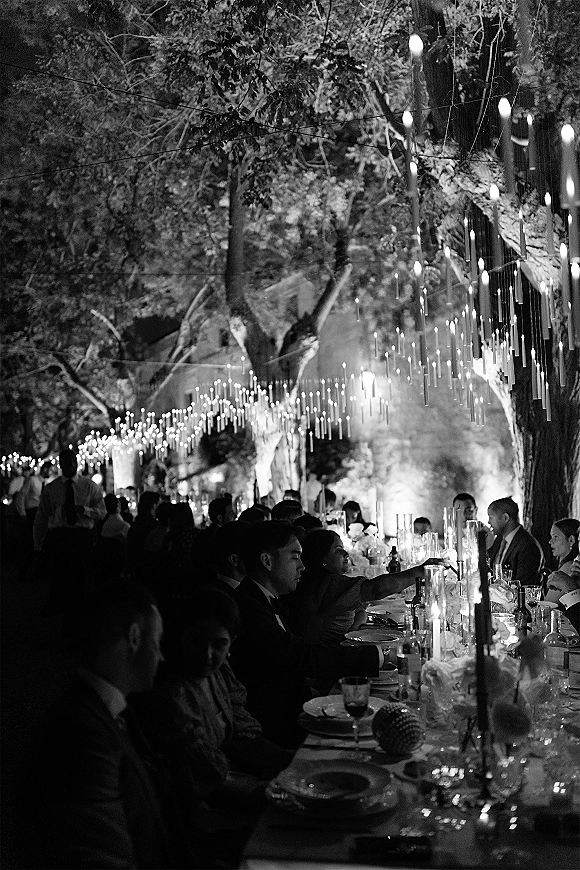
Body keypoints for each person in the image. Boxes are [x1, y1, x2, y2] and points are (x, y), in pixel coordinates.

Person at [133, 589, 292, 865]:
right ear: (179, 637)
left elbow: (245, 739)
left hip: (231, 794)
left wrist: (299, 762)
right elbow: (207, 780)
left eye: (219, 644)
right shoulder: (171, 695)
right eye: (196, 641)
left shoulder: (218, 674)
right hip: (193, 822)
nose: (207, 655)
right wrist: (282, 790)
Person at [31, 581, 176, 869]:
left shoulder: (104, 712)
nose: (161, 656)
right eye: (157, 641)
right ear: (134, 637)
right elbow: (100, 856)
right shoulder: (82, 735)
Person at [230, 522, 383, 749]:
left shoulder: (264, 598)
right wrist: (375, 656)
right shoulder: (248, 607)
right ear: (267, 561)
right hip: (276, 727)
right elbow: (298, 654)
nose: (302, 566)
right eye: (294, 557)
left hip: (293, 706)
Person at [288, 529, 441, 644]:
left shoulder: (330, 583)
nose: (346, 553)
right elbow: (377, 589)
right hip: (325, 661)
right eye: (338, 550)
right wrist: (421, 571)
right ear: (323, 559)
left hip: (339, 649)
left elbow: (360, 611)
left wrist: (353, 630)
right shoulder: (328, 586)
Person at [34, 449, 106, 634]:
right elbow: (42, 515)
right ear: (61, 464)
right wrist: (38, 542)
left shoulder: (88, 486)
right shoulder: (52, 488)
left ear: (77, 462)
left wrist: (83, 510)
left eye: (73, 461)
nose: (70, 465)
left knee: (80, 578)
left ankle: (76, 619)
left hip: (81, 537)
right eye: (66, 462)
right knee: (63, 577)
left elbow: (101, 511)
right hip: (60, 537)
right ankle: (68, 618)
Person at [487, 497, 544, 586]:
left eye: (491, 517)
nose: (488, 522)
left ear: (505, 518)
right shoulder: (499, 539)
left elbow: (523, 585)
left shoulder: (528, 546)